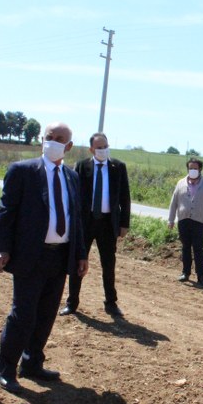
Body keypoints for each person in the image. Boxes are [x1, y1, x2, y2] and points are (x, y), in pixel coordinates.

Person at [0, 121, 88, 393]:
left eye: (60, 139)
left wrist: (81, 254)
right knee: (23, 314)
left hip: (59, 257)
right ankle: (6, 368)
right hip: (29, 256)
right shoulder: (22, 171)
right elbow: (6, 212)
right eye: (49, 137)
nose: (53, 141)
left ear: (68, 146)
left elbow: (75, 219)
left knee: (46, 314)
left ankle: (32, 362)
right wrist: (3, 248)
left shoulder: (72, 177)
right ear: (41, 140)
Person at [60, 132, 130, 317]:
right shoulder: (82, 166)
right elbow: (73, 195)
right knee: (78, 262)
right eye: (99, 147)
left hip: (108, 223)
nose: (103, 150)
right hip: (86, 222)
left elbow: (125, 197)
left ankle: (111, 303)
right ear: (91, 149)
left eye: (105, 146)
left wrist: (124, 223)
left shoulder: (118, 167)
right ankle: (72, 302)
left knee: (109, 264)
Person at [167, 158, 203, 287]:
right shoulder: (181, 183)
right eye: (190, 168)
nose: (192, 170)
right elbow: (174, 203)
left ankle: (201, 277)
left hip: (199, 221)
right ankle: (185, 273)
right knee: (185, 248)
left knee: (198, 249)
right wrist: (171, 219)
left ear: (200, 169)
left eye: (195, 168)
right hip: (183, 220)